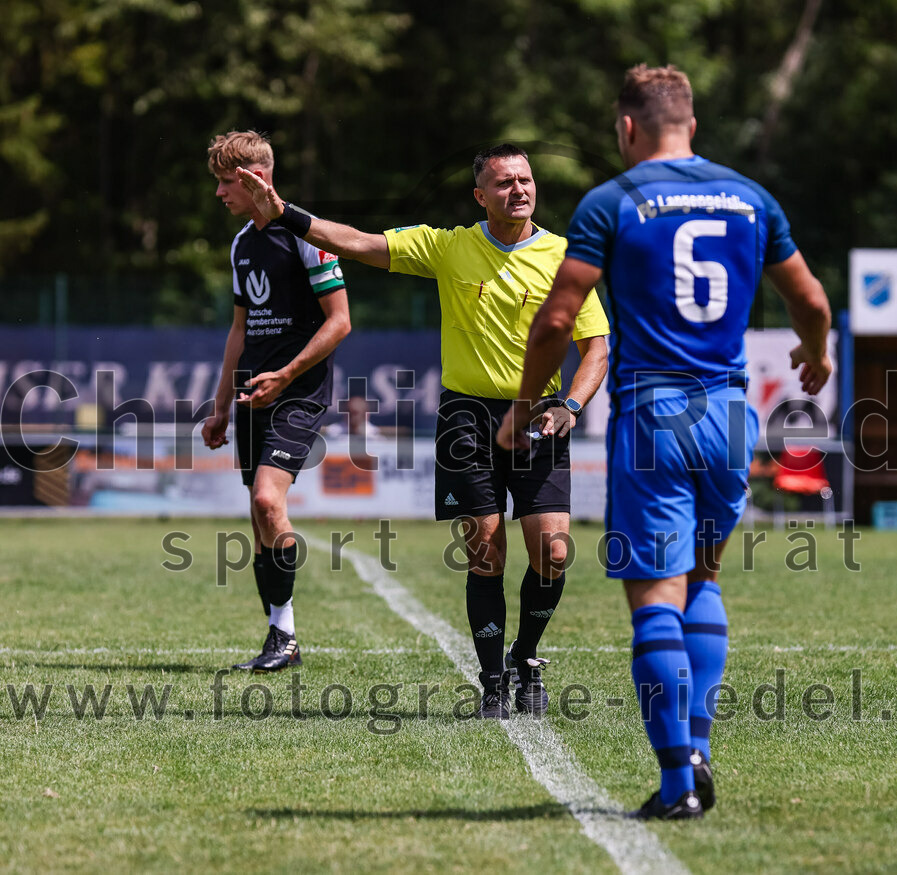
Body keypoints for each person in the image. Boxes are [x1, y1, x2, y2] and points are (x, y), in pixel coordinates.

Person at [497, 65, 832, 818]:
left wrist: (524, 405)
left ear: (627, 127)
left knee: (654, 595)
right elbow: (809, 298)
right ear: (691, 123)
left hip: (653, 418)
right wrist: (819, 351)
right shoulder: (751, 197)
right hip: (727, 415)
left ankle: (680, 781)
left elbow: (556, 321)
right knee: (705, 580)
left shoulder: (614, 201)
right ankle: (700, 747)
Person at [236, 144, 609, 717]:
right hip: (467, 415)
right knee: (484, 547)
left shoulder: (566, 258)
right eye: (505, 182)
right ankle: (492, 684)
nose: (520, 189)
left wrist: (573, 405)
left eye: (526, 179)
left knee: (552, 550)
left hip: (539, 414)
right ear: (480, 196)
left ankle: (526, 656)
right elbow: (357, 243)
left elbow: (596, 351)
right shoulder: (448, 246)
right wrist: (284, 211)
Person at [202, 131, 352, 673]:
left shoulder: (309, 237)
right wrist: (220, 404)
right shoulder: (242, 243)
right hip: (249, 397)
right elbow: (239, 330)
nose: (219, 193)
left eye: (225, 183)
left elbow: (341, 322)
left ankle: (283, 632)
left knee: (269, 502)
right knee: (258, 515)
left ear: (254, 179)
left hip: (300, 392)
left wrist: (285, 375)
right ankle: (280, 636)